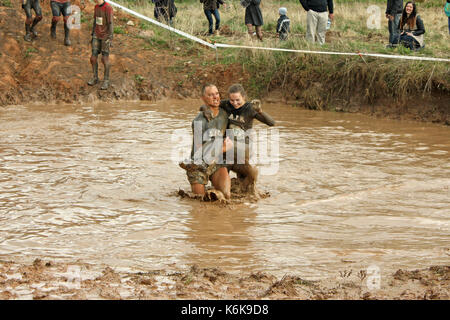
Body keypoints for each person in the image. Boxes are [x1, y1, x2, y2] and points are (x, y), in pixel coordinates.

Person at [201, 84, 275, 194]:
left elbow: (271, 123)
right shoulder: (226, 104)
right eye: (232, 100)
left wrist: (259, 111)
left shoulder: (250, 108)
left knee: (249, 180)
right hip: (227, 152)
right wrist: (206, 110)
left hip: (242, 152)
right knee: (220, 184)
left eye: (238, 100)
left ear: (244, 97)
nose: (235, 103)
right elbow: (207, 105)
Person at [180, 84, 233, 199]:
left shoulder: (225, 114)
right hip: (198, 165)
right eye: (210, 95)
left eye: (217, 93)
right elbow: (200, 153)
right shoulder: (198, 121)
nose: (215, 97)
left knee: (226, 196)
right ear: (203, 98)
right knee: (200, 202)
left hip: (216, 162)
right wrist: (222, 149)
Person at [88, 0, 114, 90]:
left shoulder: (108, 7)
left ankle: (106, 80)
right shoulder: (96, 7)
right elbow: (95, 21)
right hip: (96, 34)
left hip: (105, 36)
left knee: (104, 58)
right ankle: (95, 78)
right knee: (93, 57)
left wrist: (110, 37)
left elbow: (110, 23)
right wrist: (92, 34)